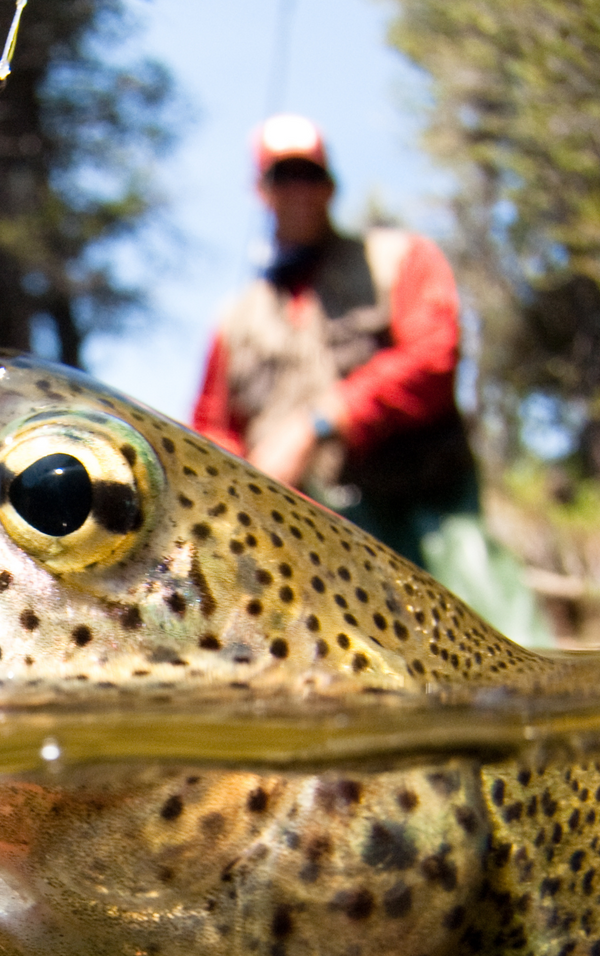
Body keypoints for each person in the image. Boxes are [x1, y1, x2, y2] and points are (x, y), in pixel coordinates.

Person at [191, 114, 550, 645]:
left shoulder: (401, 258)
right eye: (282, 176)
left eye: (308, 174)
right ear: (261, 190)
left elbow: (433, 359)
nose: (298, 190)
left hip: (430, 515)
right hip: (310, 550)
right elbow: (211, 428)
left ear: (331, 185)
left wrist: (319, 422)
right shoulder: (234, 321)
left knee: (509, 651)